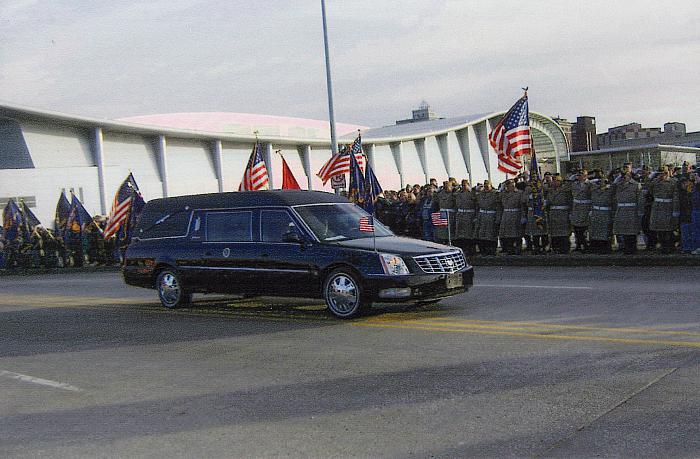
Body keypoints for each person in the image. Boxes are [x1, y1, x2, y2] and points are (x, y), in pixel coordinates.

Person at [648, 166, 679, 254]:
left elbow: (676, 197)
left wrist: (675, 210)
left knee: (669, 230)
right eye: (660, 174)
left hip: (668, 207)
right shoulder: (655, 182)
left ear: (667, 173)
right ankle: (663, 247)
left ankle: (670, 247)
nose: (662, 175)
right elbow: (649, 190)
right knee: (659, 229)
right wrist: (651, 176)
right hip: (657, 207)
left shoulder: (673, 182)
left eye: (664, 173)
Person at [613, 171, 644, 254]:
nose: (623, 178)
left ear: (630, 176)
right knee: (623, 231)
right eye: (622, 176)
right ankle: (626, 248)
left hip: (632, 210)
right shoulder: (618, 185)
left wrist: (640, 212)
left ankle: (633, 248)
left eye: (625, 176)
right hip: (621, 210)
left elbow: (640, 199)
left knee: (632, 231)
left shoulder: (636, 185)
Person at [498, 180, 526, 255]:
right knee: (507, 235)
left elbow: (522, 206)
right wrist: (502, 188)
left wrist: (523, 216)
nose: (510, 187)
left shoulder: (519, 193)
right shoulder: (503, 194)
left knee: (517, 234)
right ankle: (509, 249)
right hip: (506, 215)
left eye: (511, 185)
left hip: (516, 214)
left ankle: (518, 249)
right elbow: (499, 200)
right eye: (508, 186)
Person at [546, 175, 572, 254]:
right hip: (553, 213)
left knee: (564, 232)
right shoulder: (550, 191)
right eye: (553, 181)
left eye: (557, 181)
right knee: (554, 232)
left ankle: (565, 247)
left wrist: (570, 212)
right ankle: (555, 247)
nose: (554, 182)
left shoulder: (565, 191)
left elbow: (570, 201)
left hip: (563, 213)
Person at [475, 180, 500, 255]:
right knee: (482, 234)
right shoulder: (480, 194)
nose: (485, 187)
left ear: (491, 186)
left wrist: (497, 218)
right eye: (484, 186)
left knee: (491, 234)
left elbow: (498, 207)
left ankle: (492, 251)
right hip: (482, 216)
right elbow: (477, 206)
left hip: (491, 216)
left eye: (487, 186)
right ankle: (483, 250)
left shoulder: (495, 194)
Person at [589, 178, 614, 254]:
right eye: (600, 182)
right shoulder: (594, 190)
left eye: (604, 182)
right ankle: (596, 247)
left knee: (605, 231)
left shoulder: (610, 190)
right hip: (596, 212)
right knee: (595, 231)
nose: (602, 184)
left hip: (606, 212)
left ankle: (606, 247)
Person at [454, 179, 477, 255]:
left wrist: (475, 216)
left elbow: (477, 205)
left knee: (469, 234)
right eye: (462, 185)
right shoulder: (459, 194)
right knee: (460, 234)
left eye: (465, 185)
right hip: (461, 214)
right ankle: (462, 249)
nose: (463, 187)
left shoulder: (473, 194)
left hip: (469, 215)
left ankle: (470, 250)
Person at [570, 169, 592, 252]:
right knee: (576, 228)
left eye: (581, 175)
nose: (578, 176)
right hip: (576, 208)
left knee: (584, 228)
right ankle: (578, 245)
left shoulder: (590, 184)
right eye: (578, 175)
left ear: (585, 176)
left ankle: (585, 245)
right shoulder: (574, 184)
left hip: (585, 207)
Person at [432, 180, 456, 245]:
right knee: (442, 230)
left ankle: (451, 242)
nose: (446, 188)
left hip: (451, 214)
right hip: (442, 213)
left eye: (447, 187)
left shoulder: (454, 194)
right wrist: (436, 192)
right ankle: (443, 242)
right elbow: (435, 199)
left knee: (450, 230)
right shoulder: (440, 193)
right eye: (444, 187)